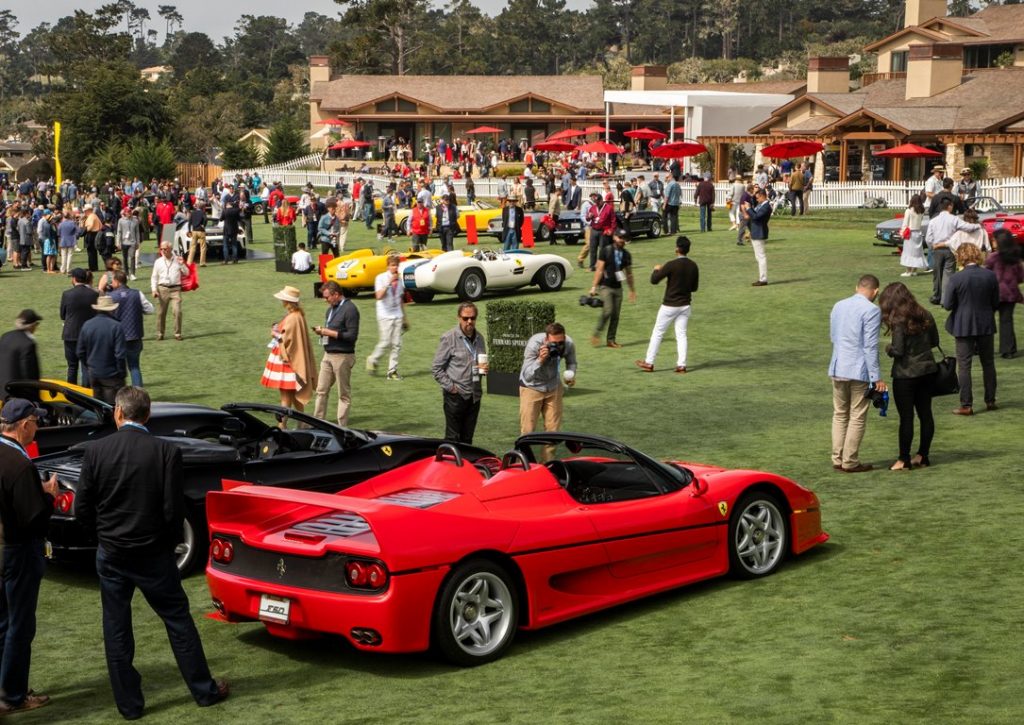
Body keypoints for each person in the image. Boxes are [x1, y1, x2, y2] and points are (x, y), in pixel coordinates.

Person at [74, 387, 229, 720]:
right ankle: (203, 691)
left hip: (113, 553)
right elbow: (173, 510)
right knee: (178, 621)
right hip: (153, 555)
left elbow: (82, 507)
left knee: (116, 629)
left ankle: (130, 706)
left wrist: (101, 537)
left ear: (118, 412)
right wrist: (166, 545)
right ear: (147, 415)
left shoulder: (98, 450)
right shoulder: (164, 451)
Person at [0, 398, 57, 715]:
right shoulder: (19, 465)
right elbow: (34, 518)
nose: (39, 426)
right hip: (19, 551)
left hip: (4, 550)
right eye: (36, 421)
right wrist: (48, 495)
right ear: (24, 425)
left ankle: (6, 687)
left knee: (4, 622)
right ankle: (13, 695)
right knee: (20, 625)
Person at [828, 274, 887, 473]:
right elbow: (870, 346)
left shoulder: (838, 305)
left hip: (837, 366)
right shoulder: (872, 310)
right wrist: (876, 377)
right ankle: (850, 461)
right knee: (857, 416)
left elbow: (833, 336)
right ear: (875, 291)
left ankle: (837, 458)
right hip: (858, 370)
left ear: (857, 287)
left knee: (840, 414)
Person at [878, 283, 939, 470]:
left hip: (905, 374)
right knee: (925, 414)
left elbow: (898, 350)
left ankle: (903, 459)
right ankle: (923, 455)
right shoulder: (925, 314)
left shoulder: (899, 320)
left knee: (906, 417)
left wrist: (888, 348)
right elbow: (935, 341)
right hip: (927, 370)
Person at [943, 244, 1000, 415]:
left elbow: (947, 305)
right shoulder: (990, 276)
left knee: (964, 366)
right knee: (988, 363)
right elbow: (995, 302)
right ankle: (990, 400)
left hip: (963, 325)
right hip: (985, 323)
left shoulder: (956, 278)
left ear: (960, 257)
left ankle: (966, 404)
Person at [635, 236, 698, 374]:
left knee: (658, 332)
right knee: (681, 335)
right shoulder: (693, 265)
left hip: (670, 305)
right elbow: (694, 288)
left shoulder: (671, 264)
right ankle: (681, 365)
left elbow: (654, 280)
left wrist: (656, 269)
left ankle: (649, 362)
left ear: (677, 249)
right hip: (685, 305)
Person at [519, 323, 577, 457]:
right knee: (527, 432)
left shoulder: (568, 343)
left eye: (560, 343)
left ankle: (548, 465)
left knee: (553, 432)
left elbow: (572, 361)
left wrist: (571, 373)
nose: (557, 346)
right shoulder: (534, 344)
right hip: (531, 387)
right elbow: (527, 374)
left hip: (553, 387)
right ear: (546, 340)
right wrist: (540, 359)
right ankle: (523, 467)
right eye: (553, 343)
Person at [432, 302, 487, 444]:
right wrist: (452, 388)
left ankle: (466, 465)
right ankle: (450, 466)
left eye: (473, 318)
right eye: (465, 318)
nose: (469, 321)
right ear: (458, 318)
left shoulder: (480, 338)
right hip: (455, 397)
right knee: (452, 438)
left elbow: (480, 363)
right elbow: (436, 368)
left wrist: (484, 370)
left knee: (467, 439)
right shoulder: (449, 338)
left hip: (474, 395)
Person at [261, 286, 317, 417]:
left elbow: (286, 339)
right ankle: (302, 423)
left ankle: (283, 426)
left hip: (287, 362)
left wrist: (275, 334)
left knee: (286, 396)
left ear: (287, 301)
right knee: (293, 396)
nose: (282, 302)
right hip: (291, 361)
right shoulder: (298, 315)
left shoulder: (293, 317)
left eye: (283, 299)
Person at [312, 282, 360, 427]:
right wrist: (322, 332)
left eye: (327, 297)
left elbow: (352, 336)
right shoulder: (330, 310)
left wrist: (328, 332)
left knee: (343, 394)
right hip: (328, 355)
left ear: (336, 294)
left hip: (343, 357)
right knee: (321, 390)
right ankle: (318, 423)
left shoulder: (350, 309)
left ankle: (342, 427)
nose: (325, 300)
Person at [589, 228, 636, 348]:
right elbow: (599, 270)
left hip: (618, 288)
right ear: (615, 237)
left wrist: (632, 290)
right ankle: (597, 333)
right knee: (608, 310)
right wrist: (594, 287)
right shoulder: (606, 250)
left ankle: (611, 340)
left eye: (624, 239)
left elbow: (629, 273)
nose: (622, 241)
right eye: (620, 238)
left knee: (615, 315)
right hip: (605, 286)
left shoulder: (626, 255)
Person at [926, 198, 979, 305]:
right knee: (948, 274)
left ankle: (937, 295)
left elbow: (928, 238)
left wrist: (932, 247)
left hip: (937, 249)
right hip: (950, 248)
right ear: (949, 206)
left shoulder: (933, 221)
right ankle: (945, 299)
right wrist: (978, 225)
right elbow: (967, 227)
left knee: (937, 274)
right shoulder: (954, 219)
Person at [109, 271, 154, 388]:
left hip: (117, 338)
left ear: (117, 282)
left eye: (113, 281)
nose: (112, 283)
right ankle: (138, 394)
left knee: (118, 368)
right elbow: (150, 309)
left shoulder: (111, 296)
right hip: (134, 335)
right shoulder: (137, 293)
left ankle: (119, 394)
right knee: (134, 367)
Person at [78, 296, 126, 405]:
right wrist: (121, 373)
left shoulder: (87, 325)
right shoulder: (116, 326)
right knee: (113, 407)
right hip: (112, 375)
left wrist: (89, 366)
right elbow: (120, 355)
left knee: (97, 407)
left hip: (94, 373)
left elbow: (80, 351)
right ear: (112, 309)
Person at [985, 229, 1024, 358]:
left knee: (985, 320)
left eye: (994, 239)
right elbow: (1020, 277)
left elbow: (986, 275)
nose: (992, 241)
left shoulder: (993, 258)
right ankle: (1008, 350)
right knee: (1006, 321)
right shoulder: (1015, 258)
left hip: (994, 293)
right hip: (1011, 294)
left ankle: (979, 347)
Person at [366, 255, 406, 380]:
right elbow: (379, 296)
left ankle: (392, 371)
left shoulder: (400, 280)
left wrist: (405, 317)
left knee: (397, 344)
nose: (395, 268)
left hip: (397, 314)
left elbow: (400, 299)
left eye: (396, 265)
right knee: (386, 342)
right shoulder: (381, 278)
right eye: (392, 265)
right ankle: (372, 359)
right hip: (384, 314)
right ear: (388, 266)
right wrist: (389, 283)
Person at [59, 268, 99, 386]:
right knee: (86, 366)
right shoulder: (94, 294)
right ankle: (86, 392)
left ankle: (71, 393)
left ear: (74, 279)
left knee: (72, 366)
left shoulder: (67, 294)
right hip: (88, 334)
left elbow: (62, 315)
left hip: (71, 333)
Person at [150, 241, 187, 341]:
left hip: (176, 289)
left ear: (170, 249)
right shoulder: (158, 261)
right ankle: (160, 333)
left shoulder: (177, 259)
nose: (162, 251)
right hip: (162, 289)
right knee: (161, 313)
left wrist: (182, 264)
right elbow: (154, 277)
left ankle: (177, 333)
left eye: (165, 249)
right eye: (161, 249)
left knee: (177, 311)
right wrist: (154, 290)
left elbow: (187, 273)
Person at [0, 311, 42, 398]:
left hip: (2, 392)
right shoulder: (28, 344)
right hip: (17, 397)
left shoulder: (5, 336)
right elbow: (29, 375)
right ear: (32, 326)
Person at [742, 188, 772, 286]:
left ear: (763, 195)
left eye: (758, 197)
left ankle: (763, 279)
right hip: (755, 232)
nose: (757, 199)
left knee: (761, 256)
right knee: (758, 257)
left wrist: (749, 208)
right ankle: (762, 277)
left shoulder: (766, 206)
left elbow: (756, 217)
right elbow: (753, 217)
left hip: (759, 232)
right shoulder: (761, 205)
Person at [899, 194, 928, 276]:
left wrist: (902, 233)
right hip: (918, 233)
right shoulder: (922, 211)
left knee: (908, 252)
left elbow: (905, 224)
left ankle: (908, 271)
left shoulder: (908, 211)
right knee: (917, 252)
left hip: (910, 234)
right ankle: (914, 270)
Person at [186, 202, 207, 267]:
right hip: (201, 230)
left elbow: (189, 222)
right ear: (203, 207)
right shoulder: (203, 213)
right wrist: (203, 225)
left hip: (194, 231)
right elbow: (205, 219)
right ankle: (202, 262)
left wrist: (189, 230)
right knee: (203, 247)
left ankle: (189, 262)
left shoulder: (193, 213)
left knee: (192, 247)